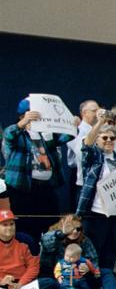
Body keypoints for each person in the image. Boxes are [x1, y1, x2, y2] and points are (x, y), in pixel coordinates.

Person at [77, 125, 116, 289]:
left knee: (112, 249)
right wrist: (99, 124)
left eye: (112, 138)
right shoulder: (94, 157)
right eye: (104, 138)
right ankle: (94, 288)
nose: (109, 141)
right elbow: (86, 145)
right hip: (96, 213)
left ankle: (108, 287)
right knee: (94, 252)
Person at [4, 100, 74, 242]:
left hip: (46, 186)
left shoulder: (46, 134)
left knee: (50, 222)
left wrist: (72, 124)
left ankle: (46, 258)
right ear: (22, 115)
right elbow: (9, 135)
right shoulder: (19, 134)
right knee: (25, 225)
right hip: (23, 188)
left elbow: (67, 137)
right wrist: (23, 123)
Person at [0, 209, 52, 289]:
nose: (10, 228)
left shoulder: (25, 240)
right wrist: (2, 280)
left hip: (23, 284)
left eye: (12, 224)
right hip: (2, 286)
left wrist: (21, 283)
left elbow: (33, 266)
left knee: (49, 283)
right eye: (5, 225)